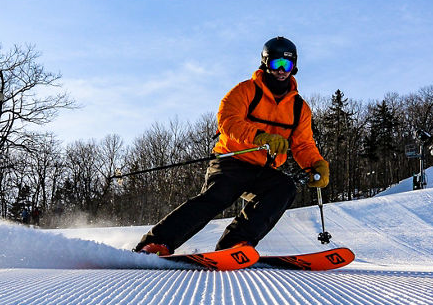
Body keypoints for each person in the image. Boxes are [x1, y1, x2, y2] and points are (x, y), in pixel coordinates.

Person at [134, 36, 329, 256]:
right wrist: (259, 137)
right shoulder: (245, 91)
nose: (282, 70)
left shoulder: (299, 108)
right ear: (265, 64)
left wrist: (316, 164)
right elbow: (227, 120)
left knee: (284, 188)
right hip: (231, 160)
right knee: (219, 195)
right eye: (276, 64)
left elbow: (303, 143)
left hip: (263, 170)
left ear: (294, 68)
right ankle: (157, 242)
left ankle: (235, 244)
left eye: (288, 65)